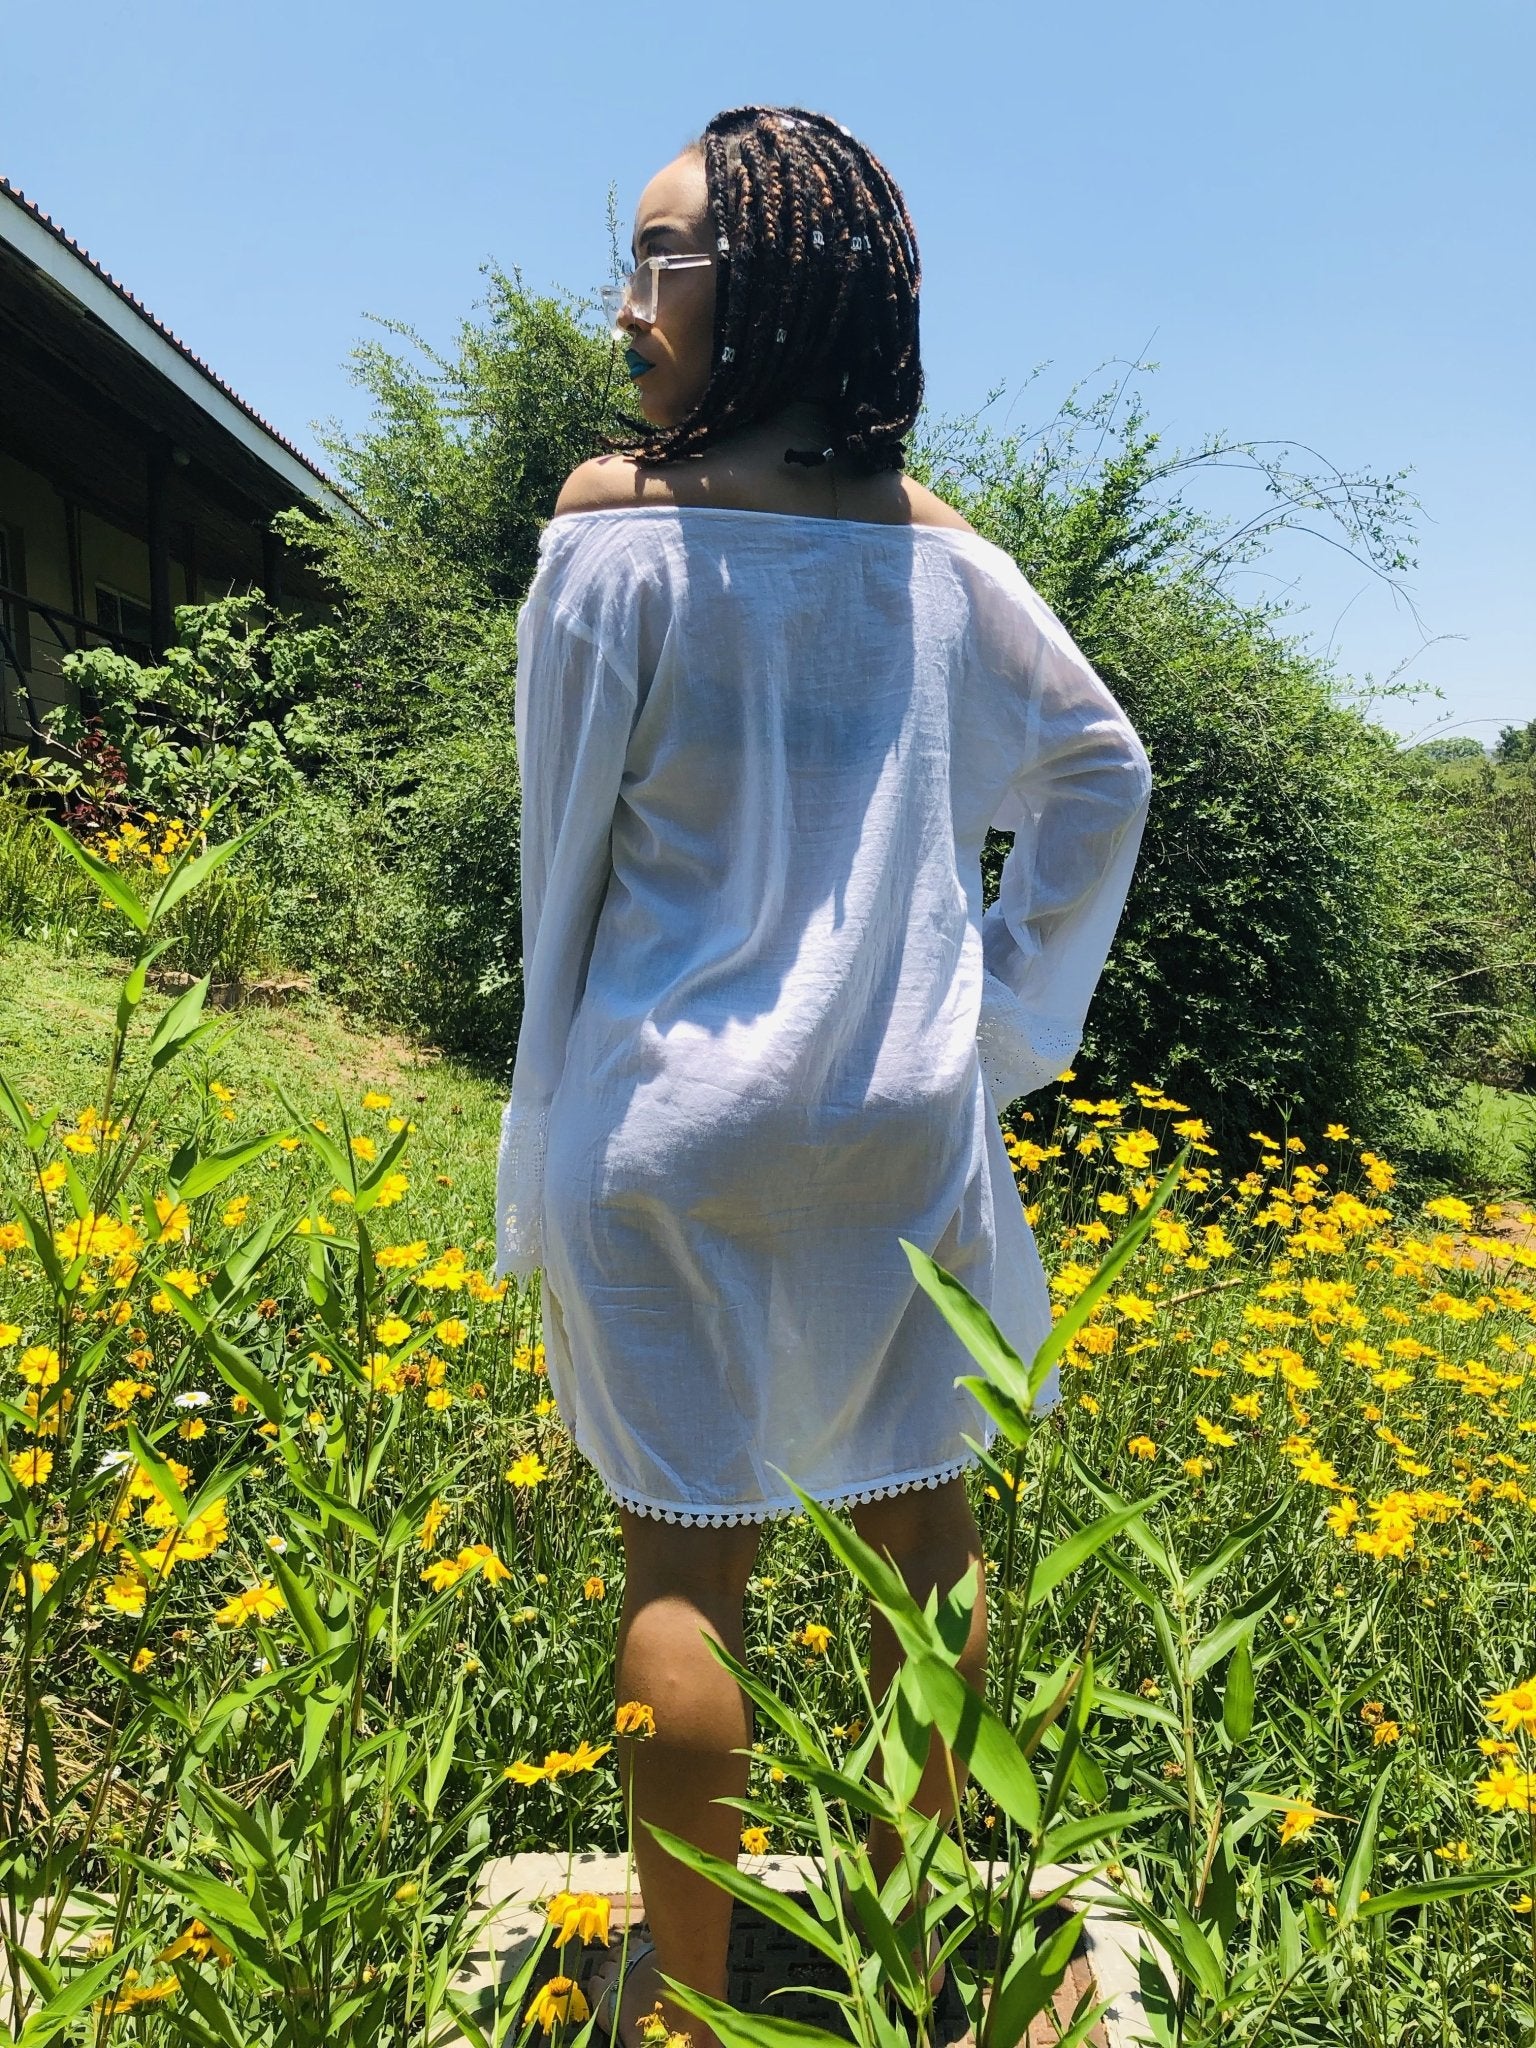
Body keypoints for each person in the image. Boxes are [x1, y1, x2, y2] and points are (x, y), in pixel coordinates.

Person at [494, 105, 1153, 2048]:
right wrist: (998, 1023)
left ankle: (684, 2014)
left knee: (685, 1572)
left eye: (662, 261)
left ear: (773, 285)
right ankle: (911, 1970)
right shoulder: (939, 550)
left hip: (663, 1118)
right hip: (895, 1123)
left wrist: (546, 1116)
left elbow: (562, 858)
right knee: (920, 1559)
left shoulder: (615, 523)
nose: (627, 305)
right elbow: (1100, 769)